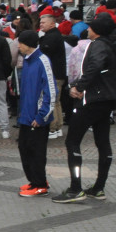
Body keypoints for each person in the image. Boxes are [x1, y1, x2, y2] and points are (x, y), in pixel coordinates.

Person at [54, 14, 116, 202]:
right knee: (102, 141)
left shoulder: (97, 45)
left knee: (72, 141)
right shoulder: (110, 45)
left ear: (96, 30)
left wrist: (78, 87)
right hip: (107, 100)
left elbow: (94, 66)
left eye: (90, 27)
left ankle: (75, 188)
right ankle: (98, 187)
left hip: (91, 100)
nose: (87, 29)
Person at [15, 30, 56, 197]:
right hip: (26, 115)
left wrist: (42, 115)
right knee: (24, 147)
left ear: (28, 44)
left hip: (37, 117)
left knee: (36, 151)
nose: (18, 46)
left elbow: (51, 91)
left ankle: (40, 184)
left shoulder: (42, 61)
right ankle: (34, 180)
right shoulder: (27, 60)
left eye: (20, 43)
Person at [38, 9, 67, 139]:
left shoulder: (52, 37)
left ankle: (53, 128)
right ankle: (58, 126)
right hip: (58, 73)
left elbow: (44, 52)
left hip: (54, 74)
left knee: (52, 100)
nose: (41, 24)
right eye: (40, 22)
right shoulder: (53, 35)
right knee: (56, 101)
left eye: (43, 22)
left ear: (52, 24)